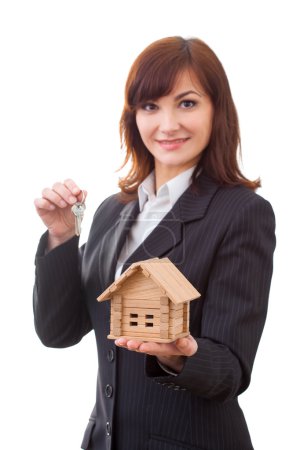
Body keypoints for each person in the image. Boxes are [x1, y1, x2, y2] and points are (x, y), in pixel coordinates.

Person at [33, 36, 276, 450]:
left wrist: (177, 353)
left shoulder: (242, 212)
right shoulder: (113, 211)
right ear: (133, 116)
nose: (167, 125)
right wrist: (62, 235)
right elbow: (59, 332)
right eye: (150, 106)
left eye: (186, 103)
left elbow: (231, 372)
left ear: (217, 110)